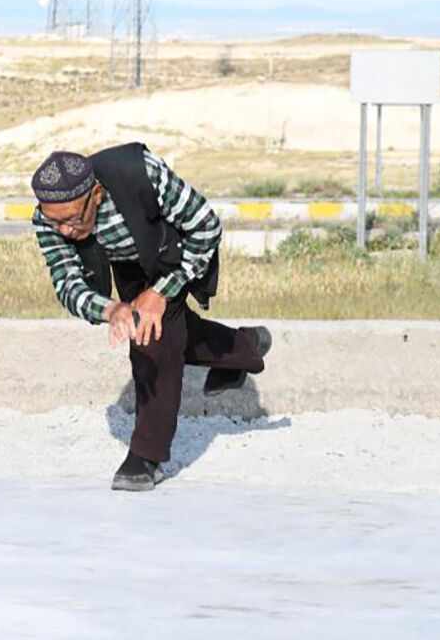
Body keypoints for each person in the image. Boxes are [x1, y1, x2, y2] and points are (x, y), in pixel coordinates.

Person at [30, 143, 272, 491]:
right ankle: (245, 346)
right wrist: (112, 309)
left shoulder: (140, 172)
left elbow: (206, 226)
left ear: (95, 194)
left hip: (172, 253)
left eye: (72, 219)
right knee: (174, 336)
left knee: (150, 339)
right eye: (57, 222)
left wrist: (161, 291)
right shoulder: (48, 219)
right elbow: (67, 284)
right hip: (126, 265)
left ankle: (147, 456)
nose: (65, 231)